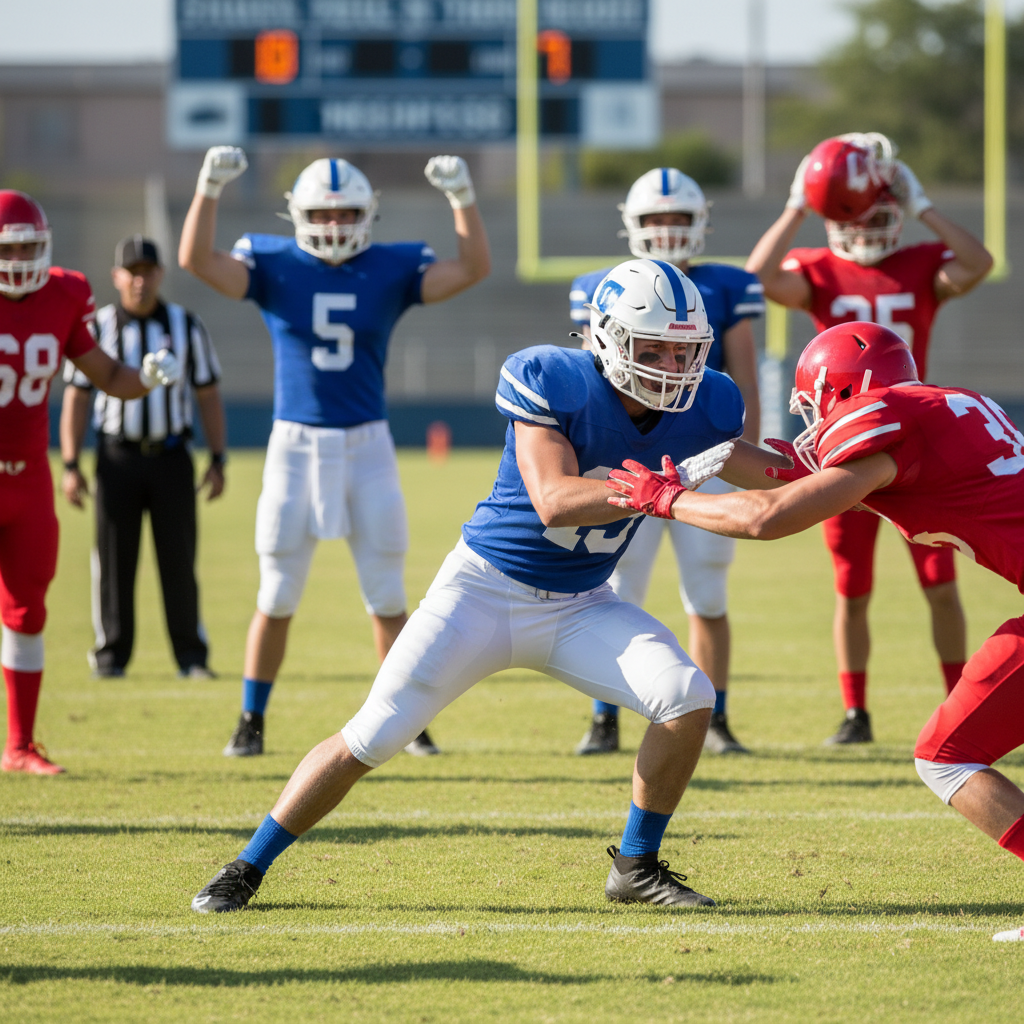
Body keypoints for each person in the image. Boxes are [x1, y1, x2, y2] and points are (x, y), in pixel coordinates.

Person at [188, 259, 790, 914]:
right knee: (374, 735)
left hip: (583, 605)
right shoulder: (551, 377)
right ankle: (248, 864)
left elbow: (768, 471)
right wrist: (657, 493)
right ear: (608, 339)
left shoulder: (710, 402)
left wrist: (849, 464)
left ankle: (636, 867)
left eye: (685, 350)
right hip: (483, 591)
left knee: (686, 695)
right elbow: (554, 500)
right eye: (654, 348)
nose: (672, 366)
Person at [606, 321, 1024, 942]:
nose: (812, 417)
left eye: (817, 402)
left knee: (947, 756)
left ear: (844, 389)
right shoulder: (937, 409)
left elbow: (771, 516)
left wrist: (665, 499)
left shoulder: (883, 421)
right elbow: (788, 474)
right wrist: (700, 451)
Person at [178, 147, 491, 758]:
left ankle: (408, 720)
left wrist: (463, 200)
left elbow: (472, 267)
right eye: (322, 213)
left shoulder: (391, 266)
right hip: (293, 445)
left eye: (347, 212)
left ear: (369, 214)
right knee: (277, 592)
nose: (334, 225)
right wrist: (207, 188)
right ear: (296, 214)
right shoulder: (273, 264)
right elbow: (196, 260)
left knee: (388, 594)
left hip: (367, 444)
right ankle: (251, 718)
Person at [745, 132, 993, 744]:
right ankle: (855, 713)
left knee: (940, 583)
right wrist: (797, 204)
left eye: (889, 213)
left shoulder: (919, 262)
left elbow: (980, 263)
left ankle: (958, 702)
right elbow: (757, 278)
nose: (875, 227)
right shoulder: (820, 269)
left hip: (915, 445)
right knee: (851, 588)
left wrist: (924, 203)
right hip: (845, 442)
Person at [569, 167, 765, 756]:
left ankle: (718, 717)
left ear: (701, 221)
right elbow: (593, 380)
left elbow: (743, 378)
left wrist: (738, 452)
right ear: (633, 224)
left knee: (706, 594)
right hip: (629, 463)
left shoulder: (729, 284)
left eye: (679, 218)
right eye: (656, 219)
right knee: (612, 589)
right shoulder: (599, 285)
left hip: (702, 458)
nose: (668, 230)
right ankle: (605, 720)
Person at [0, 190, 180, 774]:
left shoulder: (64, 294)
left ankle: (21, 745)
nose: (22, 257)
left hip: (28, 481)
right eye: (11, 247)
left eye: (30, 245)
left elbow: (105, 374)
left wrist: (147, 378)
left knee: (28, 612)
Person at [60, 235, 226, 679]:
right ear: (116, 277)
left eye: (147, 271)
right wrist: (71, 464)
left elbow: (208, 394)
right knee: (113, 562)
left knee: (179, 559)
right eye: (131, 272)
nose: (139, 280)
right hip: (117, 458)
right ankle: (111, 656)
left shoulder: (186, 326)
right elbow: (76, 399)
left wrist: (218, 458)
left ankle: (191, 657)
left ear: (160, 275)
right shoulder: (95, 328)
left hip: (172, 456)